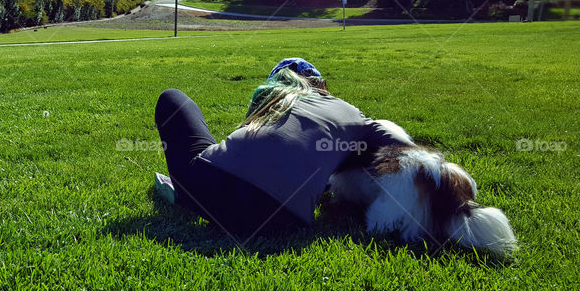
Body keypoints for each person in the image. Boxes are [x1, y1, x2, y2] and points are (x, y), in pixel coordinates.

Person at [154, 58, 414, 237]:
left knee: (172, 99)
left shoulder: (278, 101)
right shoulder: (353, 115)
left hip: (214, 187)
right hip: (285, 220)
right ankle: (191, 194)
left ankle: (186, 193)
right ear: (323, 86)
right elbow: (406, 150)